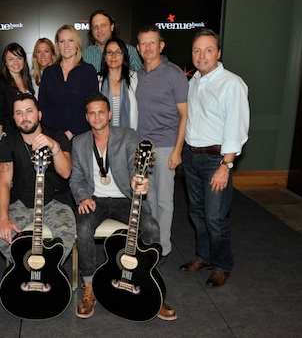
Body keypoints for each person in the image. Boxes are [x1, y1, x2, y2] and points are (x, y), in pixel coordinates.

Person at [70, 93, 177, 320]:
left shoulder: (127, 136)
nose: (97, 116)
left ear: (109, 114)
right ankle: (89, 287)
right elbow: (76, 178)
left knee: (151, 227)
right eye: (92, 113)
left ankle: (151, 285)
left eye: (101, 112)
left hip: (123, 198)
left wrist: (136, 180)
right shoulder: (78, 142)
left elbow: (133, 164)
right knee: (84, 229)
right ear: (86, 117)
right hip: (95, 199)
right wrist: (82, 197)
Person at [180, 28, 250, 287]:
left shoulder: (231, 83)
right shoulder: (194, 81)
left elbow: (236, 127)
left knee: (215, 218)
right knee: (196, 214)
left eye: (208, 50)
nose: (202, 55)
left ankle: (223, 265)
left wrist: (226, 165)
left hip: (215, 161)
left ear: (218, 53)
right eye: (197, 50)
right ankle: (204, 256)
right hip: (192, 157)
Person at [0, 93, 76, 264]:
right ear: (13, 117)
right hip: (21, 202)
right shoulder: (7, 143)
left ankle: (50, 270)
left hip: (55, 201)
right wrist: (4, 219)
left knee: (66, 235)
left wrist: (54, 146)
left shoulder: (57, 136)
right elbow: (3, 183)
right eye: (19, 113)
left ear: (39, 114)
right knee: (1, 236)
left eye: (29, 111)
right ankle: (25, 268)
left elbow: (66, 172)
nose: (24, 117)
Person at [135, 25, 189, 261]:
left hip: (167, 145)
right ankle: (152, 239)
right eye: (143, 44)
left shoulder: (174, 74)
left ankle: (163, 248)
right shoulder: (137, 74)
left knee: (165, 200)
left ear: (161, 45)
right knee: (147, 197)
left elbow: (185, 115)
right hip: (142, 147)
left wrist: (178, 150)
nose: (148, 48)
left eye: (152, 43)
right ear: (138, 48)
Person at [39, 25, 98, 140]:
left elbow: (92, 107)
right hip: (53, 137)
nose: (66, 45)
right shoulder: (49, 72)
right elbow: (43, 106)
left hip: (82, 137)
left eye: (70, 40)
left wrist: (71, 132)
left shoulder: (88, 71)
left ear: (77, 44)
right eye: (62, 41)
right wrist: (55, 136)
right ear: (57, 45)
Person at [0, 42, 35, 138]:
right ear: (5, 62)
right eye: (11, 59)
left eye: (19, 58)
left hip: (29, 135)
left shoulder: (28, 80)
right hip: (10, 136)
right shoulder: (0, 82)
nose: (16, 63)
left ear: (24, 61)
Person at [98, 37, 138, 129]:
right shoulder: (96, 81)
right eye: (109, 52)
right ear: (104, 57)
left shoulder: (135, 78)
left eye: (118, 52)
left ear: (124, 56)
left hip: (130, 137)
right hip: (103, 138)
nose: (113, 56)